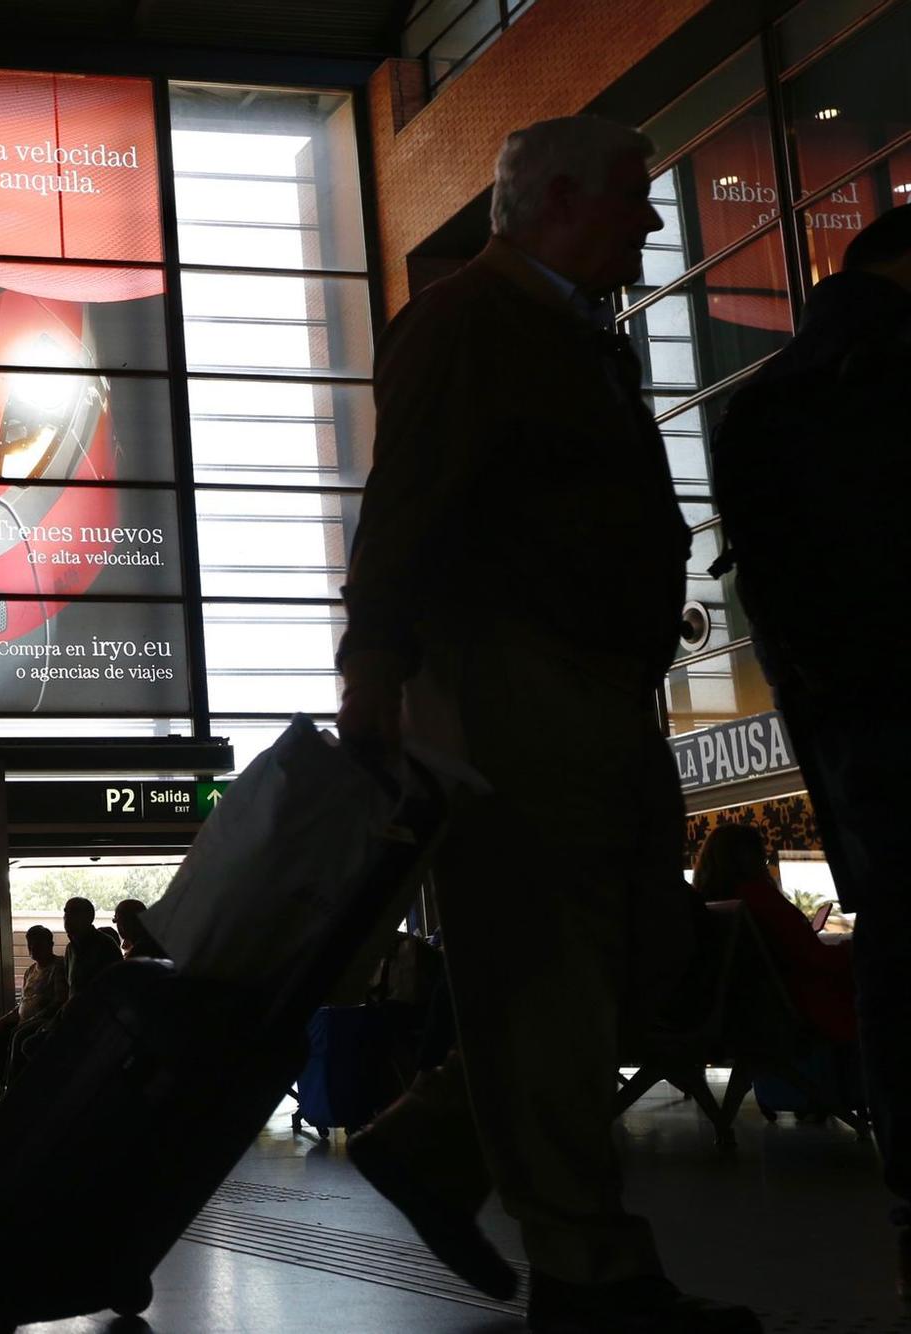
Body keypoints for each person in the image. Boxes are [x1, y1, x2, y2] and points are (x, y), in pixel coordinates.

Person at [334, 117, 756, 1333]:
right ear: (560, 198)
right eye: (634, 196)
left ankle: (436, 1139)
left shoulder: (564, 329)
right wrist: (373, 670)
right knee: (551, 969)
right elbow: (401, 505)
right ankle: (587, 1270)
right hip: (513, 686)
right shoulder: (471, 323)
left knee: (624, 956)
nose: (652, 220)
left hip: (585, 688)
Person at [712, 208, 911, 1294]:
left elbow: (764, 593)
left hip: (847, 718)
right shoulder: (888, 371)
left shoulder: (763, 405)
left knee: (894, 930)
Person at [692, 826, 856, 1045]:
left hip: (750, 1015)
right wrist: (853, 950)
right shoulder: (759, 898)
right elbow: (813, 958)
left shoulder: (711, 907)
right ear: (748, 856)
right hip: (811, 1007)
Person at [0, 925, 68, 1097]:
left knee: (18, 1036)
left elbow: (59, 1001)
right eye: (30, 945)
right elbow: (24, 1001)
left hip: (45, 1019)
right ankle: (1, 1084)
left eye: (38, 945)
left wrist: (32, 1019)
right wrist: (6, 1019)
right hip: (25, 1018)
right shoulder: (31, 970)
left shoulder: (58, 967)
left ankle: (15, 1091)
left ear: (50, 945)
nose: (33, 949)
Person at [61, 897, 119, 996]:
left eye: (74, 912)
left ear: (89, 917)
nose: (67, 916)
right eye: (66, 912)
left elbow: (116, 986)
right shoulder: (70, 948)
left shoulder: (106, 945)